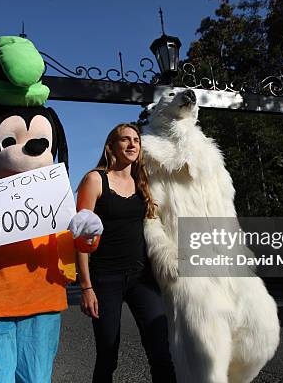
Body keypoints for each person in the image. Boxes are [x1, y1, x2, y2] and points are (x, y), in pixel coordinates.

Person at [75, 123, 176, 383]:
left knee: (161, 351)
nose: (132, 144)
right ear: (112, 146)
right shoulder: (95, 179)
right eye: (125, 140)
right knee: (108, 354)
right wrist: (86, 287)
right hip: (105, 278)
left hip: (141, 277)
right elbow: (80, 237)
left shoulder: (143, 182)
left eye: (136, 140)